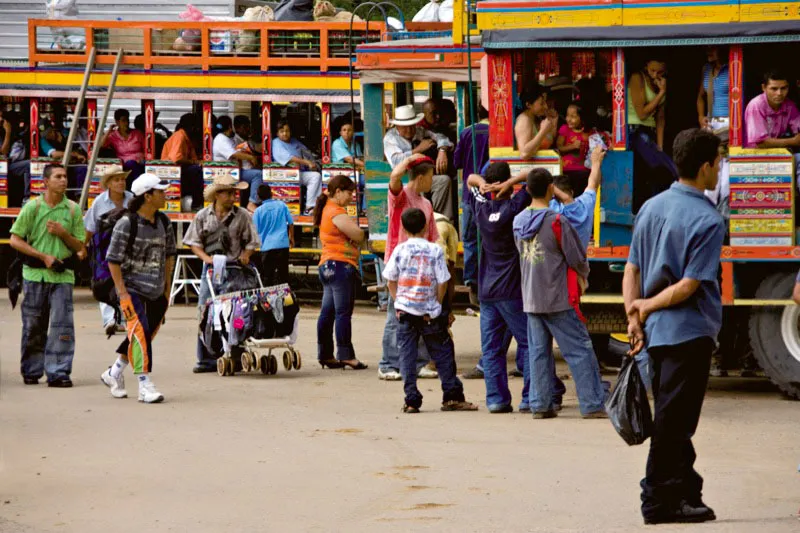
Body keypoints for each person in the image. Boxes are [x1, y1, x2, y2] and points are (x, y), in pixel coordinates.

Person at [624, 129, 724, 525]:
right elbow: (688, 285)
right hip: (688, 331)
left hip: (656, 333)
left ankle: (685, 488)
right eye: (717, 163)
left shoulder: (651, 206)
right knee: (673, 420)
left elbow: (632, 267)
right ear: (704, 168)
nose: (719, 170)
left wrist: (634, 313)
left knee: (673, 414)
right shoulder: (708, 219)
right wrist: (643, 306)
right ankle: (658, 498)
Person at [513, 168, 607, 419]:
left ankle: (540, 405)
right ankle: (592, 403)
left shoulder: (518, 220)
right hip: (557, 295)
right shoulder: (556, 220)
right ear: (549, 189)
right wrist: (583, 274)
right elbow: (576, 256)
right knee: (579, 350)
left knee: (538, 353)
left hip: (531, 296)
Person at [383, 207, 478, 414]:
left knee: (407, 357)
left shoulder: (399, 250)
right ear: (427, 226)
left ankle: (411, 400)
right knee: (443, 354)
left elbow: (390, 279)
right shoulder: (435, 250)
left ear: (404, 228)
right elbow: (443, 281)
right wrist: (437, 302)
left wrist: (398, 301)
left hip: (406, 312)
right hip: (430, 313)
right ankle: (451, 396)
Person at [466, 162, 540, 413]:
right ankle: (529, 398)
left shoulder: (480, 208)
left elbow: (470, 181)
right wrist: (511, 183)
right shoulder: (514, 207)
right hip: (512, 291)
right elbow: (534, 177)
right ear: (508, 183)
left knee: (492, 349)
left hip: (487, 292)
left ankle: (496, 400)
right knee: (528, 343)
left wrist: (483, 184)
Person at [100, 173, 176, 403]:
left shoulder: (164, 221)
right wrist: (122, 291)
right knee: (140, 332)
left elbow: (169, 255)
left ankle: (114, 372)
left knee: (143, 334)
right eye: (160, 191)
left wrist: (166, 287)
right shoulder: (126, 224)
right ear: (147, 196)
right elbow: (113, 260)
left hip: (157, 289)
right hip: (131, 289)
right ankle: (144, 384)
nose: (165, 195)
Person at [9, 163, 86, 387]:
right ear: (46, 182)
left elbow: (80, 246)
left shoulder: (72, 210)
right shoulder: (33, 208)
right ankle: (31, 370)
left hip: (62, 277)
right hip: (34, 275)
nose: (64, 180)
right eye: (58, 177)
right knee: (33, 324)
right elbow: (15, 239)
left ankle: (59, 372)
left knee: (62, 326)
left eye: (65, 176)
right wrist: (42, 256)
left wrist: (63, 234)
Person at [184, 175, 260, 373]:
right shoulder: (202, 215)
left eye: (234, 193)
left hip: (235, 269)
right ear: (217, 195)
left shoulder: (243, 215)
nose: (232, 196)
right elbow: (194, 242)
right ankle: (206, 358)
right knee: (205, 311)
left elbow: (252, 241)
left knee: (237, 311)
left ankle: (236, 353)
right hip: (210, 270)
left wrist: (246, 255)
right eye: (228, 193)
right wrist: (206, 259)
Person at [378, 154, 440, 381]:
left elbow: (433, 237)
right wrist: (413, 158)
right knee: (397, 315)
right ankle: (388, 363)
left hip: (422, 268)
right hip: (400, 265)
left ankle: (420, 362)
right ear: (421, 177)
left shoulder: (426, 204)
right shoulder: (400, 196)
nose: (433, 181)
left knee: (422, 315)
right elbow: (395, 176)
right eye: (431, 176)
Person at [314, 174, 368, 370]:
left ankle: (326, 353)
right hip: (340, 265)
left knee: (327, 312)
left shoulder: (327, 210)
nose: (351, 197)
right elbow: (358, 234)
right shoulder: (336, 211)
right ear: (338, 192)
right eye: (349, 193)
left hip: (328, 265)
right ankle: (345, 354)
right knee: (343, 312)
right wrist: (358, 237)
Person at [84, 165, 134, 336]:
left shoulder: (132, 200)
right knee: (104, 282)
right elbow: (90, 227)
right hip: (105, 247)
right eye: (117, 180)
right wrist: (82, 247)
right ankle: (110, 320)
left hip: (127, 248)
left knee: (126, 282)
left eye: (123, 179)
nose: (121, 182)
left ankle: (127, 318)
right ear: (109, 184)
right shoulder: (99, 202)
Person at [383, 105, 455, 222]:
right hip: (405, 180)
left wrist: (442, 150)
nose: (410, 130)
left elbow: (441, 137)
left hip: (423, 176)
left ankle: (441, 221)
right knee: (419, 185)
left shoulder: (420, 131)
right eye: (405, 127)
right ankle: (422, 220)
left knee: (444, 181)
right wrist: (418, 150)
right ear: (397, 126)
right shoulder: (390, 138)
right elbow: (396, 162)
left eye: (412, 126)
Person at [628, 57, 677, 212]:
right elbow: (642, 113)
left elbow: (660, 119)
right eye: (652, 71)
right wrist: (661, 92)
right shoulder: (638, 78)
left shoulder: (660, 84)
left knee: (666, 169)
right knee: (650, 172)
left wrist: (660, 146)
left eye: (660, 72)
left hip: (650, 134)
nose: (655, 74)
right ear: (646, 65)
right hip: (635, 131)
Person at [453, 105, 490, 304]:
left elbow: (456, 162)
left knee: (469, 239)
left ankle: (471, 281)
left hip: (469, 195)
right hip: (491, 193)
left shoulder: (467, 132)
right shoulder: (500, 133)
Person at [744, 70, 800, 177]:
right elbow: (761, 143)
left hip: (776, 155)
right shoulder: (756, 105)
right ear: (764, 88)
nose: (779, 93)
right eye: (774, 89)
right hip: (752, 157)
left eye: (783, 88)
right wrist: (793, 141)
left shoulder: (789, 105)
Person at [697, 46, 731, 219]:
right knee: (711, 171)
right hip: (712, 126)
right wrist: (701, 116)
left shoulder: (733, 67)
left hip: (730, 125)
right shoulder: (707, 70)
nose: (708, 51)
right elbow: (700, 96)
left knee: (726, 178)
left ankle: (724, 219)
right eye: (707, 48)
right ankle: (710, 216)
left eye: (713, 48)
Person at [550, 146, 605, 248]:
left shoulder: (551, 210)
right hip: (580, 262)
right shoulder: (584, 205)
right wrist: (596, 162)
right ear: (572, 192)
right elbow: (593, 183)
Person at [271, 120, 322, 216]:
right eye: (282, 131)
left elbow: (306, 151)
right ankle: (309, 208)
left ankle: (312, 207)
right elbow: (289, 158)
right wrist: (307, 162)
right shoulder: (276, 143)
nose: (285, 133)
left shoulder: (293, 141)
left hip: (298, 173)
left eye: (287, 131)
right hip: (284, 175)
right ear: (277, 133)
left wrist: (315, 160)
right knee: (314, 176)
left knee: (316, 176)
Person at [213, 115, 263, 212]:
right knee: (258, 174)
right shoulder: (221, 139)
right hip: (227, 174)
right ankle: (252, 202)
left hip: (234, 171)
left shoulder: (228, 138)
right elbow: (234, 154)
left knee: (257, 171)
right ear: (229, 127)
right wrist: (251, 157)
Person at [252, 184, 294, 286]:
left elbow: (255, 230)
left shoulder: (258, 211)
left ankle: (268, 300)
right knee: (283, 276)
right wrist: (291, 237)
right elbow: (291, 223)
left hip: (266, 247)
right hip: (282, 245)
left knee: (267, 277)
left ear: (258, 197)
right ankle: (285, 300)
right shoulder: (282, 205)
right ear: (271, 193)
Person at [161, 113, 203, 211]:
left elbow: (195, 159)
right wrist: (193, 162)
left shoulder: (188, 139)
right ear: (192, 127)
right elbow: (176, 159)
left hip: (180, 170)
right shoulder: (179, 136)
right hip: (170, 171)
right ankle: (197, 204)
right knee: (196, 171)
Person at [100, 108, 146, 185]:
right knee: (131, 163)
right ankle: (137, 187)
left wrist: (142, 158)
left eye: (127, 120)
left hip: (140, 162)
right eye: (123, 120)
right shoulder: (113, 136)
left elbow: (147, 149)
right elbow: (101, 145)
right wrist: (109, 131)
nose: (126, 123)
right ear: (117, 122)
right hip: (125, 164)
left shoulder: (137, 133)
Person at [514, 85, 557, 160]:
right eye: (542, 103)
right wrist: (543, 131)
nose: (546, 107)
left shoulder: (536, 118)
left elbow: (549, 138)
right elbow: (524, 154)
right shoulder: (524, 120)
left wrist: (554, 122)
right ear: (528, 105)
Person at [556, 102, 591, 193]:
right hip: (567, 170)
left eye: (573, 117)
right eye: (567, 116)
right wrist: (572, 146)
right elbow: (558, 148)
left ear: (582, 118)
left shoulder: (589, 133)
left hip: (584, 170)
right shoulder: (565, 129)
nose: (569, 119)